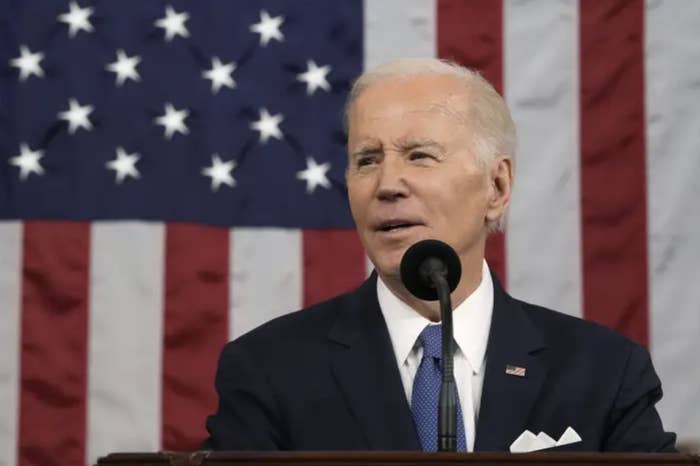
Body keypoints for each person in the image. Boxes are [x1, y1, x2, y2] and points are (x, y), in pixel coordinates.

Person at [203, 58, 676, 452]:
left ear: (497, 186)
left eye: (420, 156)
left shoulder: (605, 372)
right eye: (367, 160)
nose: (387, 185)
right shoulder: (269, 370)